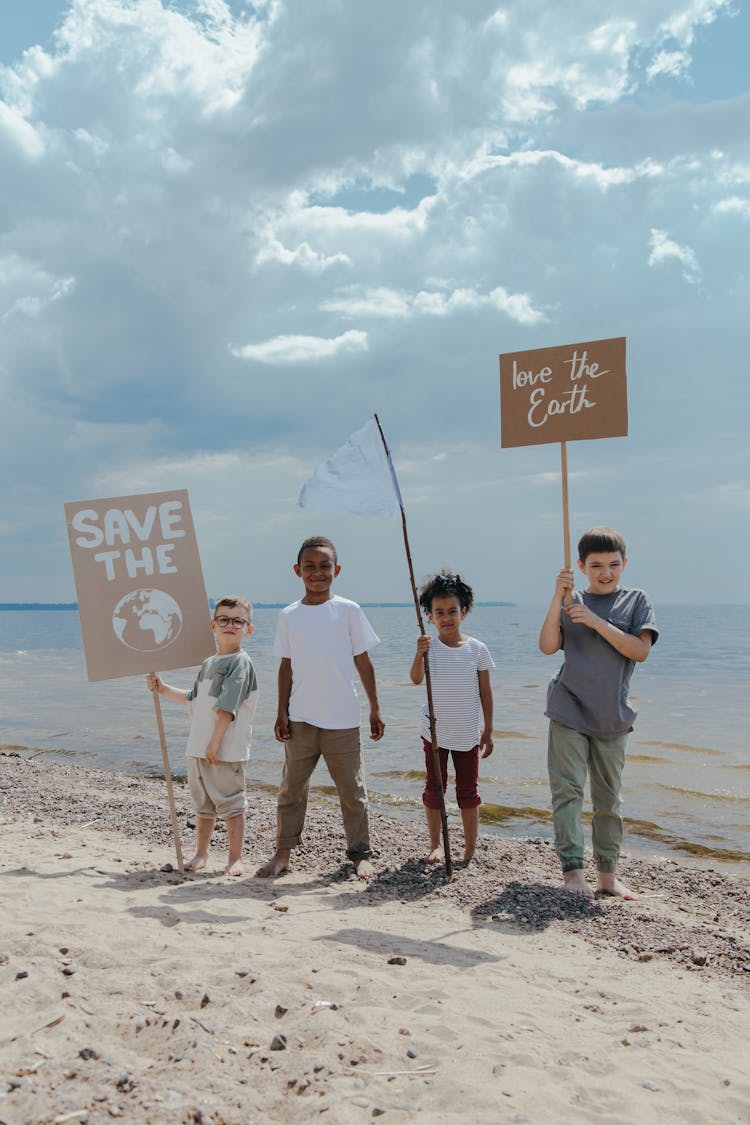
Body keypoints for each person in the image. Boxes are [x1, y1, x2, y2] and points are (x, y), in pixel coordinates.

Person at [538, 527, 658, 899]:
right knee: (568, 793)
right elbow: (547, 647)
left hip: (612, 716)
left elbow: (638, 651)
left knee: (609, 799)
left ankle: (608, 875)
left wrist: (593, 620)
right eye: (596, 565)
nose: (605, 572)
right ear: (581, 566)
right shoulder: (571, 599)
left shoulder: (636, 601)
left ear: (624, 564)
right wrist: (557, 598)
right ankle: (573, 872)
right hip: (568, 707)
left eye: (613, 564)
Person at [256, 535, 384, 880]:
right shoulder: (289, 616)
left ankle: (360, 854)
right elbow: (285, 667)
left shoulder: (348, 610)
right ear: (297, 571)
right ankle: (283, 853)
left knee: (352, 792)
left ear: (336, 570)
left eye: (324, 566)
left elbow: (363, 661)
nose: (317, 572)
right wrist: (280, 712)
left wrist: (375, 707)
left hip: (342, 719)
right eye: (309, 566)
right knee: (291, 790)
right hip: (301, 719)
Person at [146, 595, 258, 876]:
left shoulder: (240, 663)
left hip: (224, 749)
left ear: (248, 628)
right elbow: (194, 699)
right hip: (199, 747)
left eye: (237, 621)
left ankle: (234, 858)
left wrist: (215, 742)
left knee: (231, 804)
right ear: (213, 625)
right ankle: (201, 854)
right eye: (224, 620)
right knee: (204, 806)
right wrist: (162, 688)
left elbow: (227, 707)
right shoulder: (209, 662)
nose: (230, 625)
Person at [410, 571, 494, 864]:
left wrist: (489, 729)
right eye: (439, 613)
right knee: (435, 788)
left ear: (464, 612)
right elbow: (416, 679)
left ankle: (469, 849)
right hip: (434, 733)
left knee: (468, 792)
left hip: (468, 733)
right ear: (430, 617)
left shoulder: (477, 649)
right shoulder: (429, 647)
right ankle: (436, 845)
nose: (446, 618)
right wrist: (419, 654)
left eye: (452, 611)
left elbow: (485, 692)